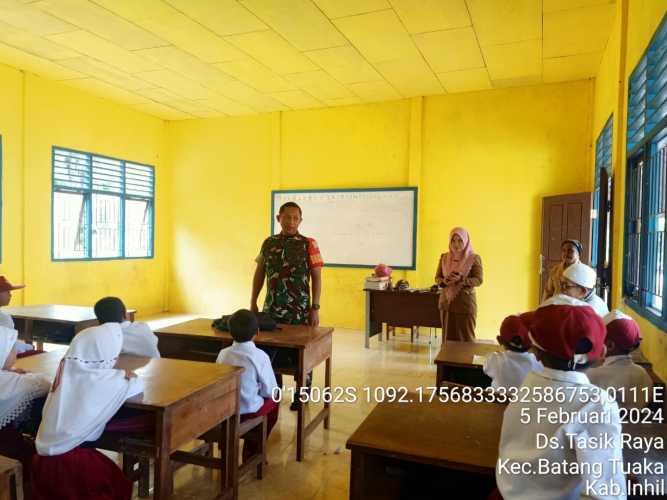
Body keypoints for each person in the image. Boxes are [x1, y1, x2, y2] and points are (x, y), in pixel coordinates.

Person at [496, 298, 626, 499]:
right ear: (601, 352)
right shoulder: (597, 403)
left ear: (536, 352)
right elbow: (605, 490)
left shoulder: (526, 387)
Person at [32, 323, 144, 500]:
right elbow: (137, 388)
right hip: (74, 465)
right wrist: (126, 375)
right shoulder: (108, 379)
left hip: (41, 463)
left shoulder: (66, 372)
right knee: (117, 484)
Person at [250, 201, 323, 410]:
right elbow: (259, 273)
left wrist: (315, 307)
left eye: (295, 218)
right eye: (287, 217)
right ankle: (274, 390)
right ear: (278, 218)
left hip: (299, 310)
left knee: (302, 352)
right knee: (269, 349)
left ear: (300, 220)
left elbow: (317, 277)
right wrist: (253, 300)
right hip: (271, 309)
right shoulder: (268, 243)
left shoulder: (309, 244)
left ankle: (302, 393)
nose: (291, 222)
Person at [216, 309, 279, 462]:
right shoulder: (260, 356)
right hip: (247, 412)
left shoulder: (223, 354)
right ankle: (252, 450)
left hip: (225, 411)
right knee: (275, 401)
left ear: (230, 332)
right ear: (257, 332)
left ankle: (224, 443)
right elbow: (270, 391)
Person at [0, 327, 50, 496]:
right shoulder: (11, 382)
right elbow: (45, 385)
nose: (15, 352)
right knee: (37, 458)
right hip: (5, 448)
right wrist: (22, 375)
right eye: (11, 348)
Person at [587, 310, 653, 410]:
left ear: (610, 345)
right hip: (637, 425)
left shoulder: (592, 375)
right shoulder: (643, 374)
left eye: (599, 339)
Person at [435, 227, 483, 341]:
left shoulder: (474, 258)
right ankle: (447, 360)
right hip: (446, 304)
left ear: (466, 241)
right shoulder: (444, 257)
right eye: (453, 240)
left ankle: (465, 360)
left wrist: (462, 279)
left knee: (465, 339)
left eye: (460, 240)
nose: (456, 244)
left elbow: (478, 279)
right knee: (447, 340)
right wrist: (444, 281)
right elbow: (437, 277)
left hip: (465, 305)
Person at [483, 314, 543, 390]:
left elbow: (485, 368)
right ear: (531, 344)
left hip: (498, 401)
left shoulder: (494, 359)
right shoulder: (537, 362)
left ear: (499, 340)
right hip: (524, 401)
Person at [94, 296, 160, 358]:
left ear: (99, 320)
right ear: (125, 313)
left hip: (129, 369)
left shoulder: (105, 337)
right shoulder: (142, 326)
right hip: (157, 365)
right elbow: (154, 341)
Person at [0, 276, 35, 356]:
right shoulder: (4, 318)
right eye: (7, 291)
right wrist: (28, 347)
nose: (10, 295)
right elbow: (9, 347)